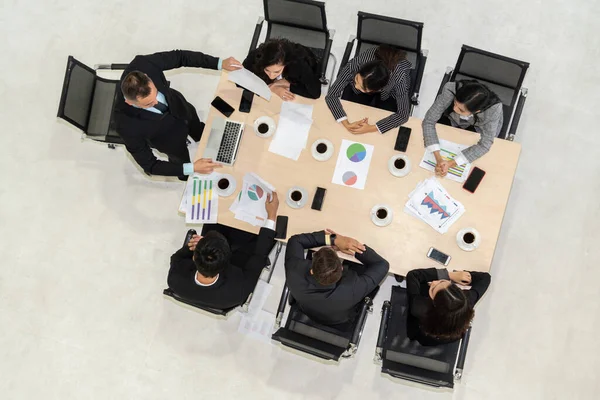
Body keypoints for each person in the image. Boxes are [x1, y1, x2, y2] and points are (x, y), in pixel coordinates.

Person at [114, 50, 242, 180]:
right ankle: (185, 177)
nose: (157, 102)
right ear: (129, 102)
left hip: (182, 108)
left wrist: (219, 63)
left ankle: (199, 135)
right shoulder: (125, 125)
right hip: (169, 140)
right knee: (180, 160)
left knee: (198, 127)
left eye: (156, 94)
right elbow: (150, 166)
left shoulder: (144, 64)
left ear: (147, 76)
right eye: (148, 104)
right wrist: (191, 168)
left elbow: (181, 57)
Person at [167, 192, 279, 309]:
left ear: (194, 257)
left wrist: (195, 243)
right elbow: (259, 255)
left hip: (213, 257)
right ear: (226, 262)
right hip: (242, 260)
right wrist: (271, 216)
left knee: (218, 212)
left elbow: (177, 257)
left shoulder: (175, 278)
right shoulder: (238, 290)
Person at [284, 229, 389, 327]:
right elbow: (382, 265)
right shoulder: (352, 289)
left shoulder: (293, 273)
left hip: (311, 311)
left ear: (312, 270)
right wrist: (352, 248)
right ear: (342, 268)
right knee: (361, 266)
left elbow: (295, 241)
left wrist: (333, 240)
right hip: (340, 319)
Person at [422, 80, 503, 177]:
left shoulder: (494, 110)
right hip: (452, 121)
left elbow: (485, 144)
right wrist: (438, 158)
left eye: (461, 109)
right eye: (455, 103)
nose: (454, 109)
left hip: (478, 128)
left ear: (477, 111)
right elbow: (429, 121)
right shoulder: (450, 89)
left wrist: (451, 163)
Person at [325, 45, 412, 135]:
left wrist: (371, 128)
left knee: (383, 117)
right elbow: (332, 95)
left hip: (390, 93)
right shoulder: (359, 63)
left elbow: (403, 115)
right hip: (371, 86)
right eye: (356, 79)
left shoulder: (400, 77)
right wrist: (346, 123)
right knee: (353, 112)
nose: (356, 86)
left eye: (362, 87)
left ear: (378, 89)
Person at [406, 267, 491, 346]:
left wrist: (449, 275)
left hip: (423, 336)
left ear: (434, 304)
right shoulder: (466, 301)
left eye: (433, 289)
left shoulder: (419, 307)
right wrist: (463, 276)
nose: (434, 282)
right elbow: (485, 278)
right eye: (442, 281)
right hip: (449, 335)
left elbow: (413, 275)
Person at [243, 39, 321, 100]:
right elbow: (241, 80)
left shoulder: (298, 64)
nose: (271, 76)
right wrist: (272, 89)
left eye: (276, 71)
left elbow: (315, 93)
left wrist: (288, 84)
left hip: (307, 62)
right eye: (267, 70)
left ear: (285, 64)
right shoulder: (256, 56)